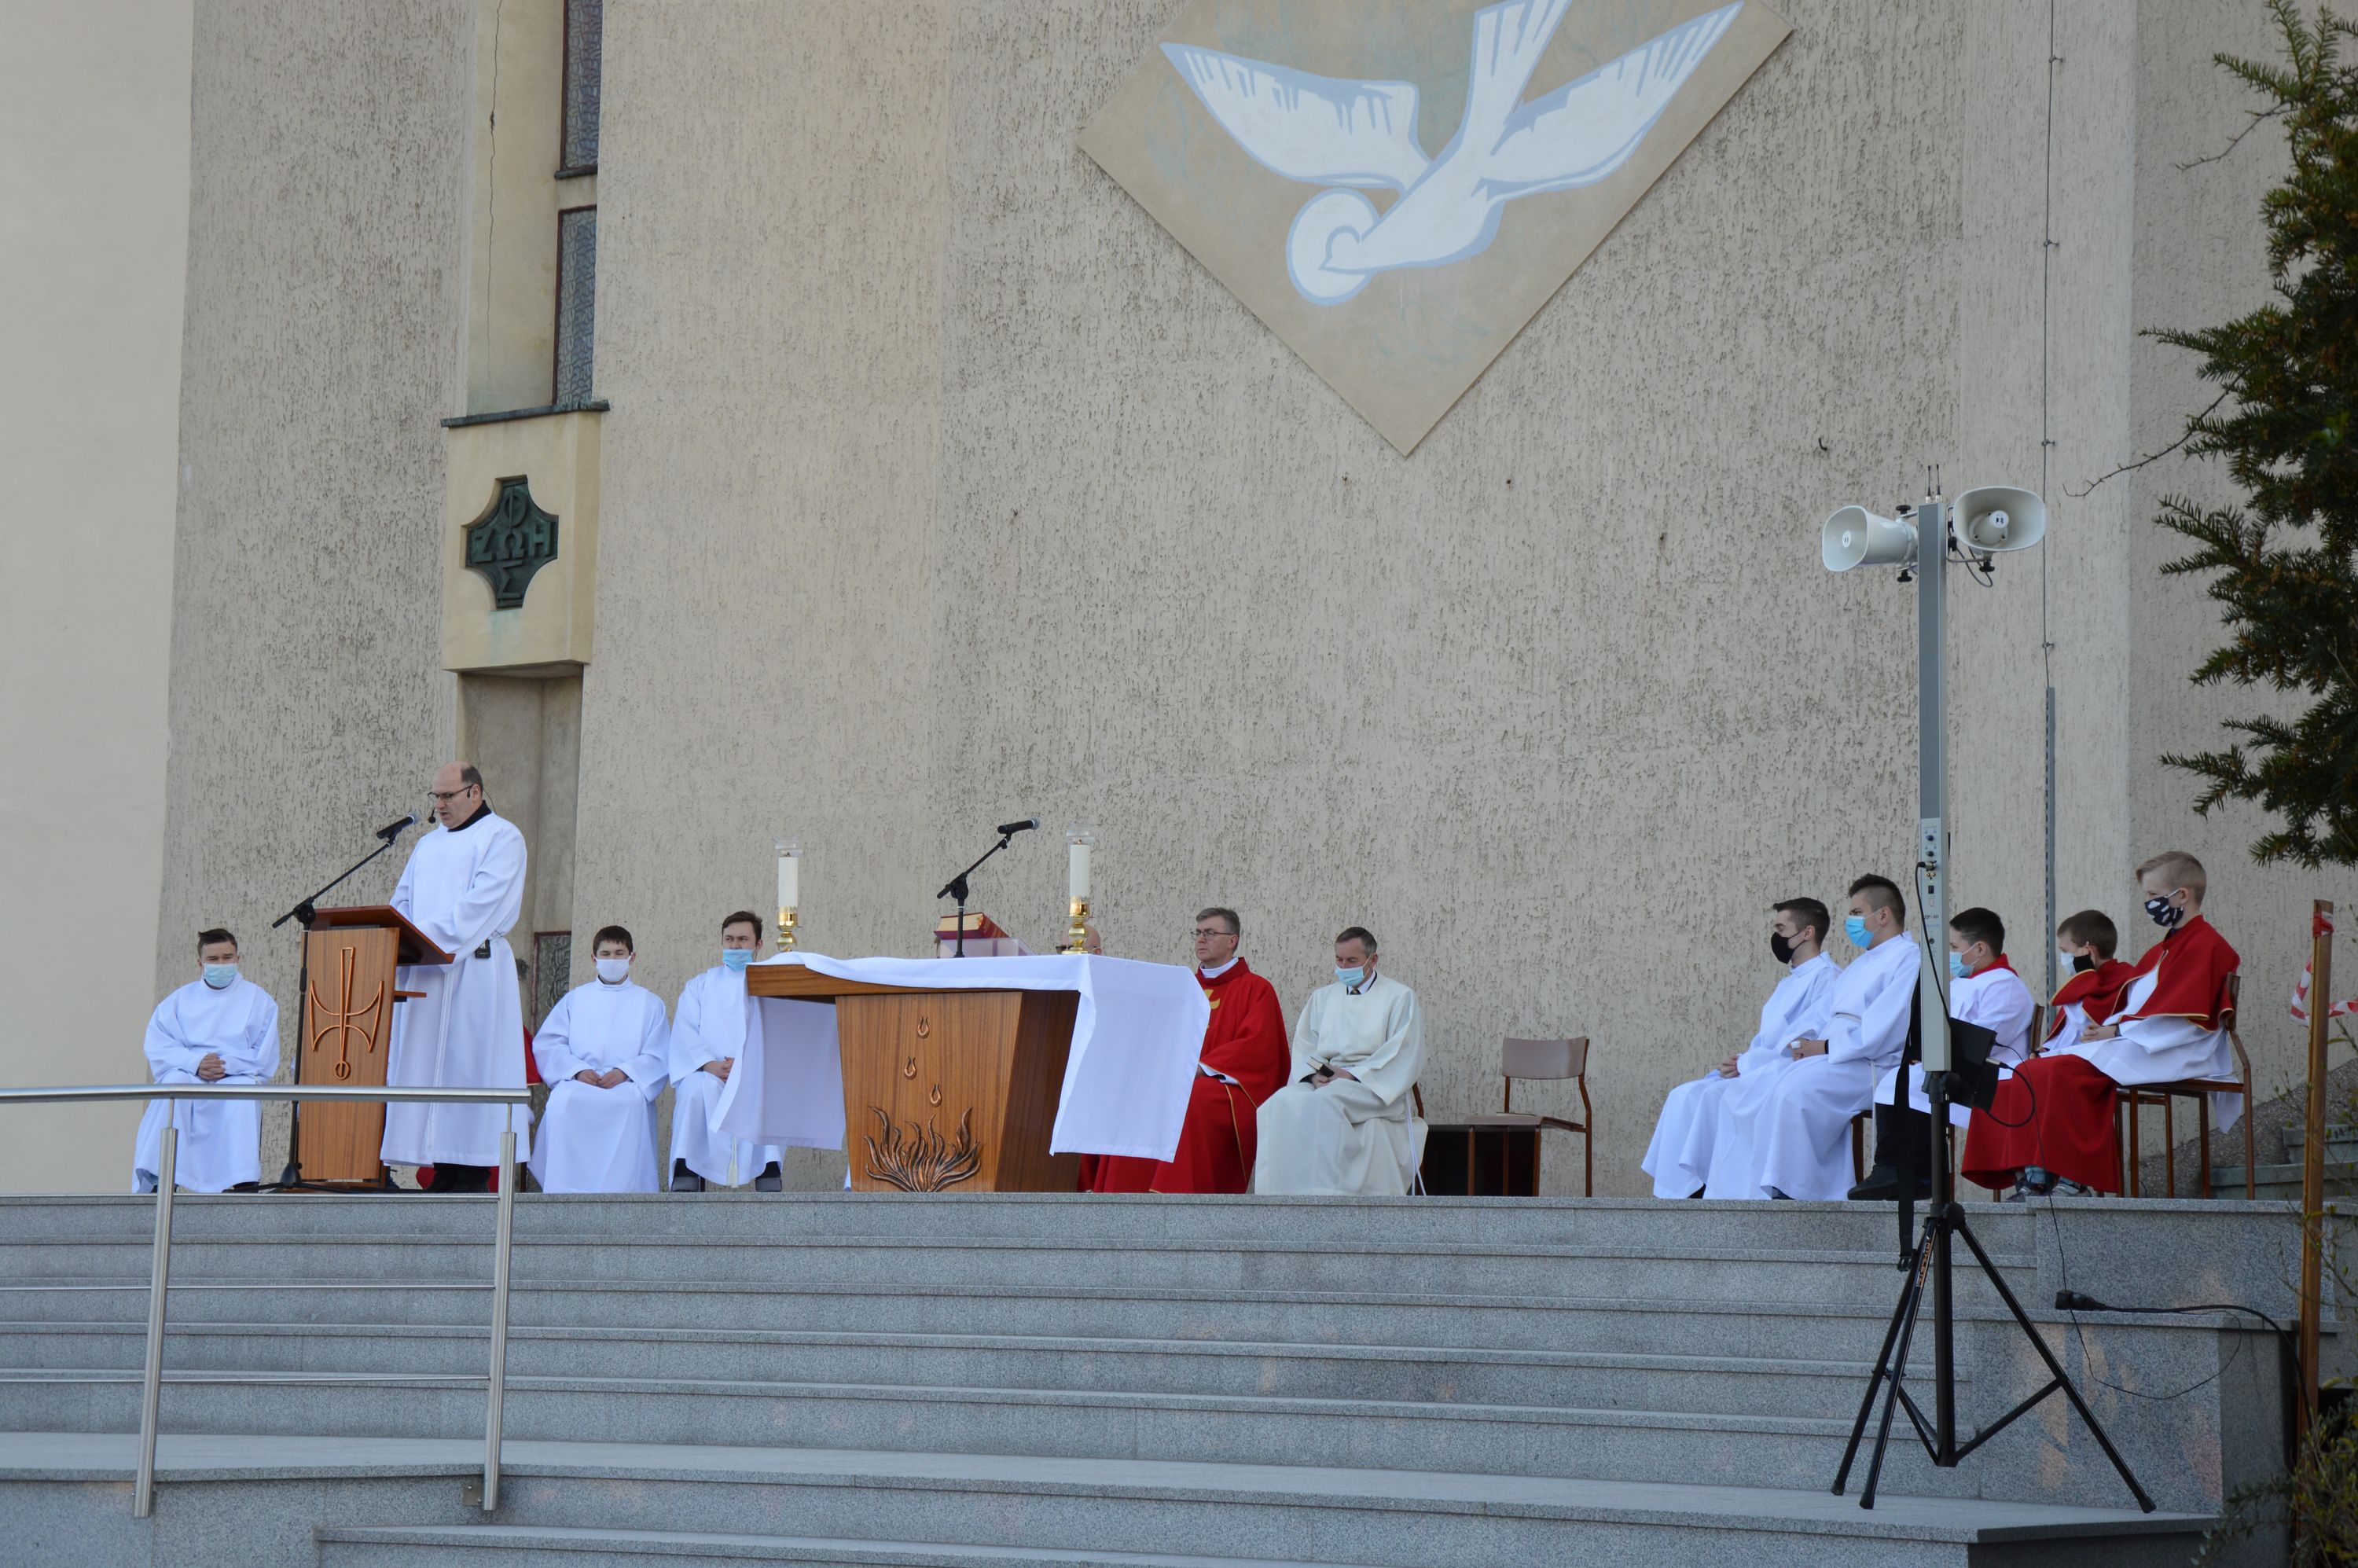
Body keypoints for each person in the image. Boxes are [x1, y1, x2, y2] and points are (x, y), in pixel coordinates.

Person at [1963, 851, 2241, 1200]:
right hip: (2140, 1039)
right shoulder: (2166, 948)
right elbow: (2139, 1007)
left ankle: (2074, 1180)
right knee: (2026, 1071)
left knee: (2061, 1071)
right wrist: (2113, 1029)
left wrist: (2118, 1030)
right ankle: (2031, 1175)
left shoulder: (2206, 945)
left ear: (2182, 895)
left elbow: (2186, 1015)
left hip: (2176, 1047)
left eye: (2153, 895)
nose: (2148, 904)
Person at [383, 762, 531, 1192]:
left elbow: (480, 906)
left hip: (475, 971)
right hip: (427, 970)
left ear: (475, 792)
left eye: (448, 796)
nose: (439, 805)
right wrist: (402, 937)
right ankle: (439, 1166)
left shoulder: (502, 837)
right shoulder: (427, 845)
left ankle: (469, 1172)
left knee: (471, 1067)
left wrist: (421, 938)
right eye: (435, 797)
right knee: (425, 1069)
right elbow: (402, 901)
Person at [1081, 907, 1291, 1194]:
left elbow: (1258, 1049)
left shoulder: (1257, 989)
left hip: (1224, 1088)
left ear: (1232, 941)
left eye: (1210, 933)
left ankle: (1175, 1193)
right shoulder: (1182, 987)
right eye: (1198, 933)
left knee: (1191, 1095)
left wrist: (1201, 1068)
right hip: (1177, 1079)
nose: (1201, 939)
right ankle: (1122, 1193)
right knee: (1133, 1091)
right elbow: (1156, 1038)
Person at [1738, 876, 1920, 1200]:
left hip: (1873, 1064)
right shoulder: (1861, 964)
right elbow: (1826, 1015)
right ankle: (1779, 1186)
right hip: (1837, 1056)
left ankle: (1796, 1190)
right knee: (1773, 1082)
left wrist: (1826, 1047)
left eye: (1857, 912)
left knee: (1796, 1090)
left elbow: (1886, 1027)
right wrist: (1804, 1044)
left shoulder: (1909, 957)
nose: (1850, 921)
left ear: (1883, 915)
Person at [1643, 898, 1838, 1199]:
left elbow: (1801, 1041)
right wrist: (1740, 1062)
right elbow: (1766, 1039)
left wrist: (1746, 1065)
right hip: (1760, 1067)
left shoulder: (1828, 978)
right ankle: (1682, 1197)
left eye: (1781, 929)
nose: (1776, 936)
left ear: (1808, 932)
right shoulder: (1789, 982)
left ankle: (1715, 1193)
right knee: (1684, 1096)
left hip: (1784, 1073)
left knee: (1714, 1099)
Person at [1849, 906, 2034, 1201]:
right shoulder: (1961, 983)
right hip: (1950, 1065)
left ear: (1980, 949)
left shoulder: (2006, 986)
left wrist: (1935, 1051)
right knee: (1895, 1079)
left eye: (1954, 947)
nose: (1949, 954)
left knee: (1914, 1083)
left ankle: (1920, 1174)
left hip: (1986, 1076)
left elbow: (1985, 1038)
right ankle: (1890, 1168)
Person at [1251, 927, 1424, 1195]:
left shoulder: (1399, 997)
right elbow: (1306, 1045)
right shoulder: (1322, 997)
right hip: (1327, 1080)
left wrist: (1353, 1075)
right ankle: (1278, 1196)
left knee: (1326, 1102)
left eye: (1352, 961)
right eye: (1339, 960)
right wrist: (1313, 1075)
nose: (1343, 967)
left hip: (1373, 1085)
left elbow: (1403, 1051)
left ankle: (1325, 1195)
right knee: (1278, 1104)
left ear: (1373, 960)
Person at [131, 930, 280, 1194]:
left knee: (243, 1091)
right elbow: (159, 1044)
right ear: (200, 963)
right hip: (189, 1073)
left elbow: (264, 1053)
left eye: (227, 957)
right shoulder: (180, 1000)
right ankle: (161, 1179)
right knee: (174, 1086)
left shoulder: (259, 1000)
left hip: (236, 1073)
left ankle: (243, 1182)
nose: (221, 964)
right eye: (213, 959)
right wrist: (196, 1062)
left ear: (238, 958)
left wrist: (225, 1066)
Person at [529, 925, 670, 1193]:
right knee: (562, 1100)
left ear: (632, 957)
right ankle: (563, 1189)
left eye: (619, 953)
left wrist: (625, 1072)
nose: (612, 959)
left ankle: (623, 1193)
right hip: (580, 1082)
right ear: (594, 958)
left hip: (625, 1085)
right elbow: (549, 1044)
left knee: (631, 1102)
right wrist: (577, 1070)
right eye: (606, 954)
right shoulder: (575, 999)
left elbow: (659, 1054)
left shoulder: (650, 1003)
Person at [668, 911, 784, 1192]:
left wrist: (748, 1064)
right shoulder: (700, 986)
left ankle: (769, 1168)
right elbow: (685, 1029)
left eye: (743, 939)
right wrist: (708, 1064)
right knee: (693, 1089)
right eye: (729, 939)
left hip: (755, 1071)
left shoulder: (771, 985)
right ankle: (687, 1168)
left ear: (758, 944)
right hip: (710, 1072)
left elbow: (780, 1031)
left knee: (770, 1089)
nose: (735, 946)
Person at [2044, 909, 2135, 1053]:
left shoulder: (2124, 978)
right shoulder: (2082, 982)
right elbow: (2066, 1034)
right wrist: (2045, 1049)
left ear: (2088, 951)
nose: (2063, 957)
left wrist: (2085, 974)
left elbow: (2086, 1026)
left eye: (2065, 951)